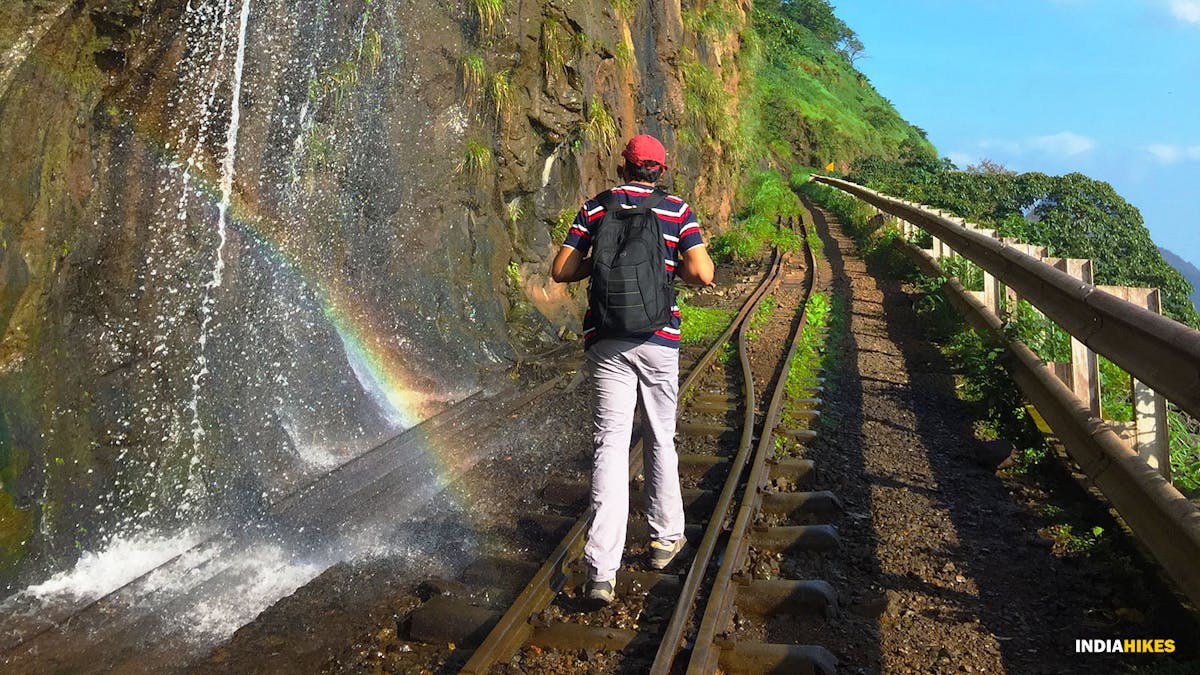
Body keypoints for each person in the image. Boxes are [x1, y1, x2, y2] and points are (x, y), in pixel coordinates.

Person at [551, 134, 715, 605]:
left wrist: (599, 265)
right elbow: (702, 272)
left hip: (607, 339)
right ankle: (665, 542)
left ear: (624, 165)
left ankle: (602, 569)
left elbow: (562, 269)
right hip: (659, 338)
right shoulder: (677, 211)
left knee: (610, 443)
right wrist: (671, 272)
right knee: (661, 435)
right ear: (660, 170)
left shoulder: (595, 207)